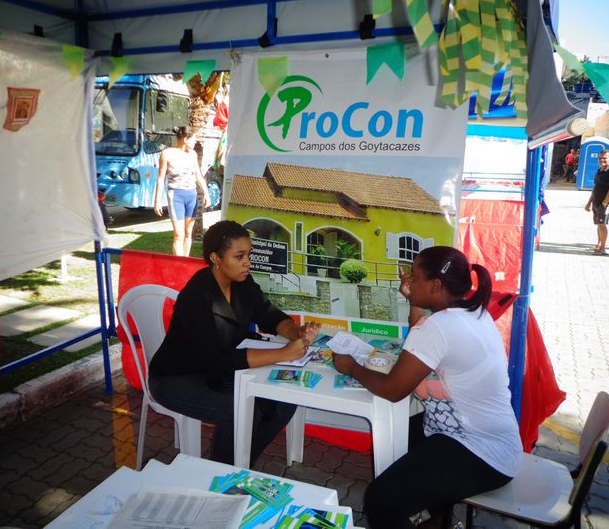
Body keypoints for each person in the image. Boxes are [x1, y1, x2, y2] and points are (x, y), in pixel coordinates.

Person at [332, 247, 520, 529]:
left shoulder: (440, 327)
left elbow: (394, 389)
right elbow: (423, 337)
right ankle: (442, 520)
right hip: (479, 435)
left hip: (483, 452)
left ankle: (437, 516)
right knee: (394, 434)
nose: (408, 280)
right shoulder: (471, 312)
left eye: (415, 276)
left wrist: (352, 368)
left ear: (435, 285)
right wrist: (414, 302)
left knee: (380, 500)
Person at [148, 220, 319, 465]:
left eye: (248, 255)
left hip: (217, 372)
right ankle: (223, 475)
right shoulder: (197, 297)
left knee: (282, 402)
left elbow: (268, 314)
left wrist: (296, 334)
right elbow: (216, 359)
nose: (247, 262)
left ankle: (240, 464)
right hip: (175, 379)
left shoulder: (242, 283)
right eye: (239, 256)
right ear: (216, 258)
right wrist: (283, 353)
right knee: (238, 408)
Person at [153, 126, 211, 256]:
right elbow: (161, 178)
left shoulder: (192, 154)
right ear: (185, 139)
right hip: (176, 195)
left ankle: (186, 262)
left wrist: (206, 193)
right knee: (179, 234)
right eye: (193, 139)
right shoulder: (167, 153)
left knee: (188, 232)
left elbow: (198, 175)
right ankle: (178, 264)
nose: (196, 142)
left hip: (191, 195)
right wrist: (157, 201)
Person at [584, 150, 609, 255]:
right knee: (599, 224)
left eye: (605, 158)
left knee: (602, 224)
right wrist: (589, 202)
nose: (602, 160)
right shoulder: (600, 170)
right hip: (596, 202)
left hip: (604, 204)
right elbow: (596, 187)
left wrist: (604, 203)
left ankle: (603, 248)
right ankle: (599, 245)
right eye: (600, 158)